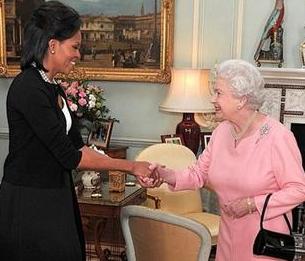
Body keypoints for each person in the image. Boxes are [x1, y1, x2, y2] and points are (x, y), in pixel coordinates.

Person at [0, 2, 155, 261]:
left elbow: (78, 146)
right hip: (30, 203)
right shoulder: (27, 88)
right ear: (52, 45)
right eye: (74, 47)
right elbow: (71, 157)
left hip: (56, 195)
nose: (78, 54)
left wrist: (132, 166)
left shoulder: (53, 87)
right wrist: (131, 166)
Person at [141, 59, 305, 260]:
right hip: (228, 238)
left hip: (263, 241)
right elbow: (198, 174)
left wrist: (251, 203)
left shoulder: (277, 137)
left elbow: (299, 189)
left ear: (241, 100)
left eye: (218, 92)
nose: (212, 99)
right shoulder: (222, 132)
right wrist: (164, 174)